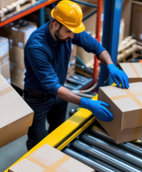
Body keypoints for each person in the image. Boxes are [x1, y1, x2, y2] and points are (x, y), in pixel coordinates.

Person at [23, 0, 130, 150]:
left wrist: (111, 65)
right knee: (37, 143)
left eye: (73, 31)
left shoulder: (68, 31)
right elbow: (53, 86)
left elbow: (97, 48)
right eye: (68, 31)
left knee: (59, 133)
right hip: (38, 98)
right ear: (54, 24)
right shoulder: (37, 47)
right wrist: (87, 104)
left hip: (60, 93)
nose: (72, 36)